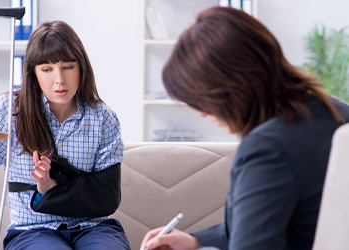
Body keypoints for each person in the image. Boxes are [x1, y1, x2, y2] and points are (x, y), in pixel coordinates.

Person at [141, 6, 349, 250]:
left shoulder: (268, 148)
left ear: (230, 89)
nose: (203, 113)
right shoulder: (338, 113)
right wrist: (197, 241)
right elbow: (272, 223)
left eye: (201, 100)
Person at [0, 20, 130, 250]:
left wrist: (52, 186)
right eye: (47, 69)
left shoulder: (102, 117)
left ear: (81, 68)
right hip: (32, 230)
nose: (59, 80)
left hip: (92, 227)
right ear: (34, 73)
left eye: (68, 67)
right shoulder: (11, 110)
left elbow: (106, 195)